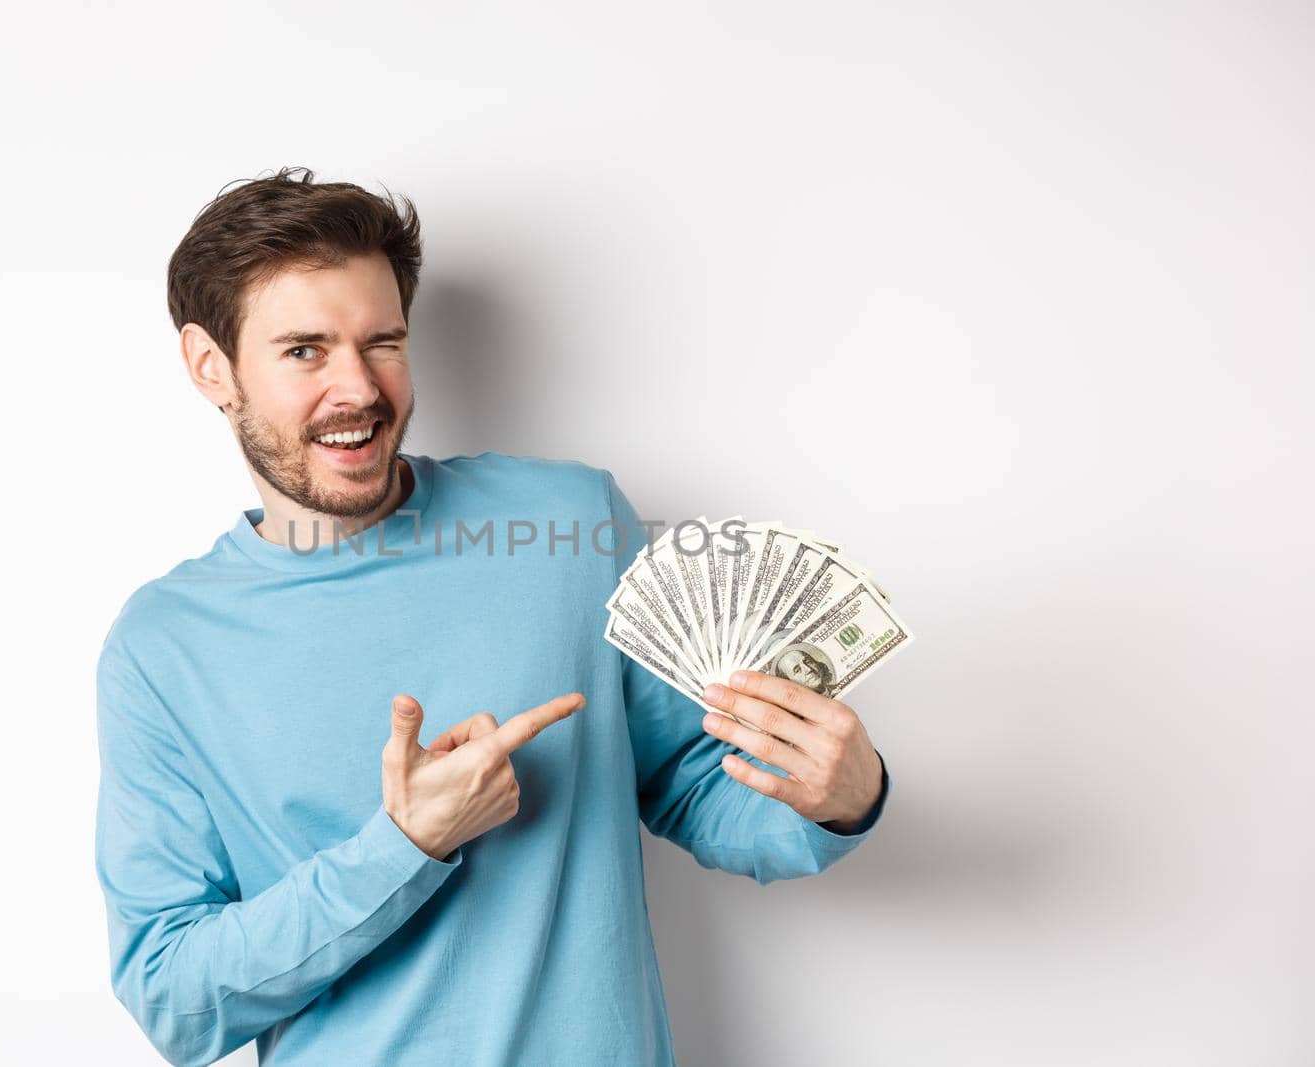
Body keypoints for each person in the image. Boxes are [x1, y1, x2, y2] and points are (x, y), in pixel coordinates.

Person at [93, 166, 891, 1067]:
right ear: (212, 367)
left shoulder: (569, 523)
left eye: (382, 342)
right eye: (305, 350)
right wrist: (403, 845)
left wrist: (837, 800)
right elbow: (174, 999)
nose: (358, 388)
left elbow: (696, 785)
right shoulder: (163, 646)